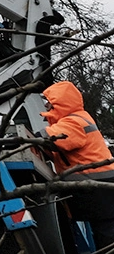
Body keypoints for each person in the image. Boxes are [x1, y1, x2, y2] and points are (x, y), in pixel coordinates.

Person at [39, 80, 114, 250]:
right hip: (100, 188)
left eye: (50, 103)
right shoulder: (79, 118)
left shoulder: (72, 122)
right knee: (105, 232)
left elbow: (54, 139)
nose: (47, 107)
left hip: (96, 190)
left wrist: (31, 137)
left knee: (106, 235)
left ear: (60, 102)